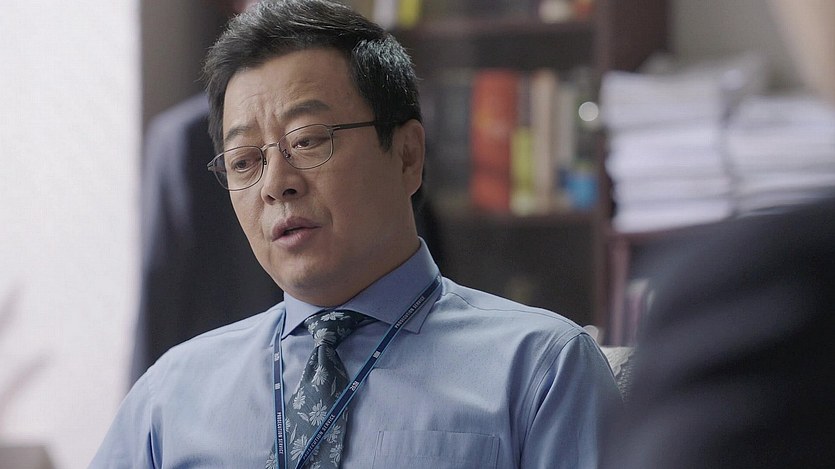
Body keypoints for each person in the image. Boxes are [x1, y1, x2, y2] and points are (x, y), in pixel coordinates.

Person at [91, 1, 619, 467]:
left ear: (407, 156)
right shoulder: (171, 394)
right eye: (245, 161)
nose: (275, 185)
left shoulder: (541, 369)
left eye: (307, 141)